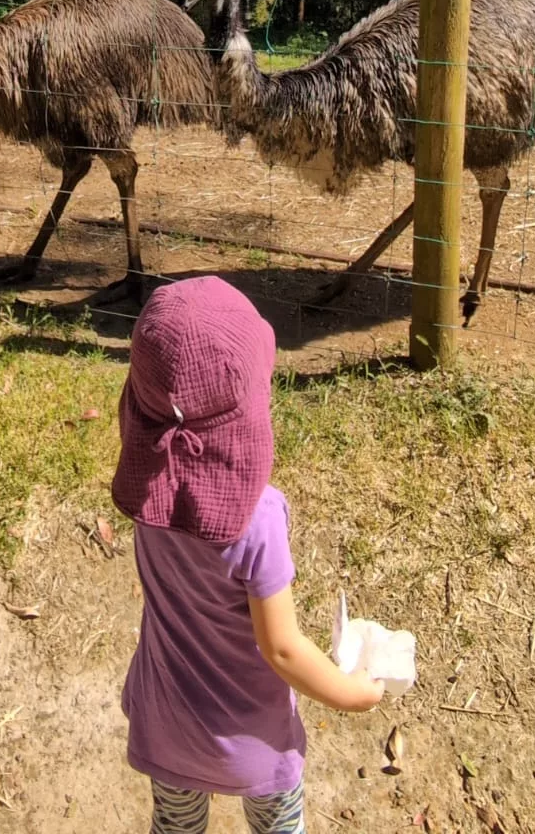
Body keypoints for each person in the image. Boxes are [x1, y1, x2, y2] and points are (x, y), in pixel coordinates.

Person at [112, 275, 384, 834]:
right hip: (252, 741)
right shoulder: (259, 518)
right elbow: (281, 648)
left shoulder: (144, 488)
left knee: (175, 826)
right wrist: (351, 694)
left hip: (165, 720)